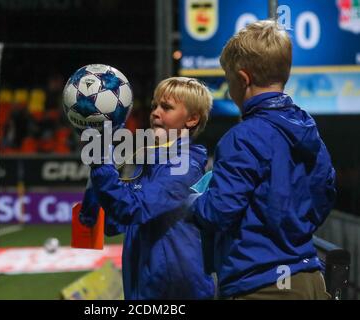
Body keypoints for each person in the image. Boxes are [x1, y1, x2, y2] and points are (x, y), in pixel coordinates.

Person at [188, 20, 336, 299]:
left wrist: (193, 202)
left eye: (228, 79)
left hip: (261, 285)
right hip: (311, 279)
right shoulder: (308, 130)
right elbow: (324, 196)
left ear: (243, 79)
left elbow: (218, 211)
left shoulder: (243, 137)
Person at [80, 77, 215, 299]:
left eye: (167, 107)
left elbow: (132, 209)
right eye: (154, 106)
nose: (155, 112)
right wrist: (103, 144)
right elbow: (113, 223)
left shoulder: (185, 166)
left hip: (174, 291)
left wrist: (102, 162)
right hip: (147, 286)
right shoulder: (150, 161)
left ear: (192, 119)